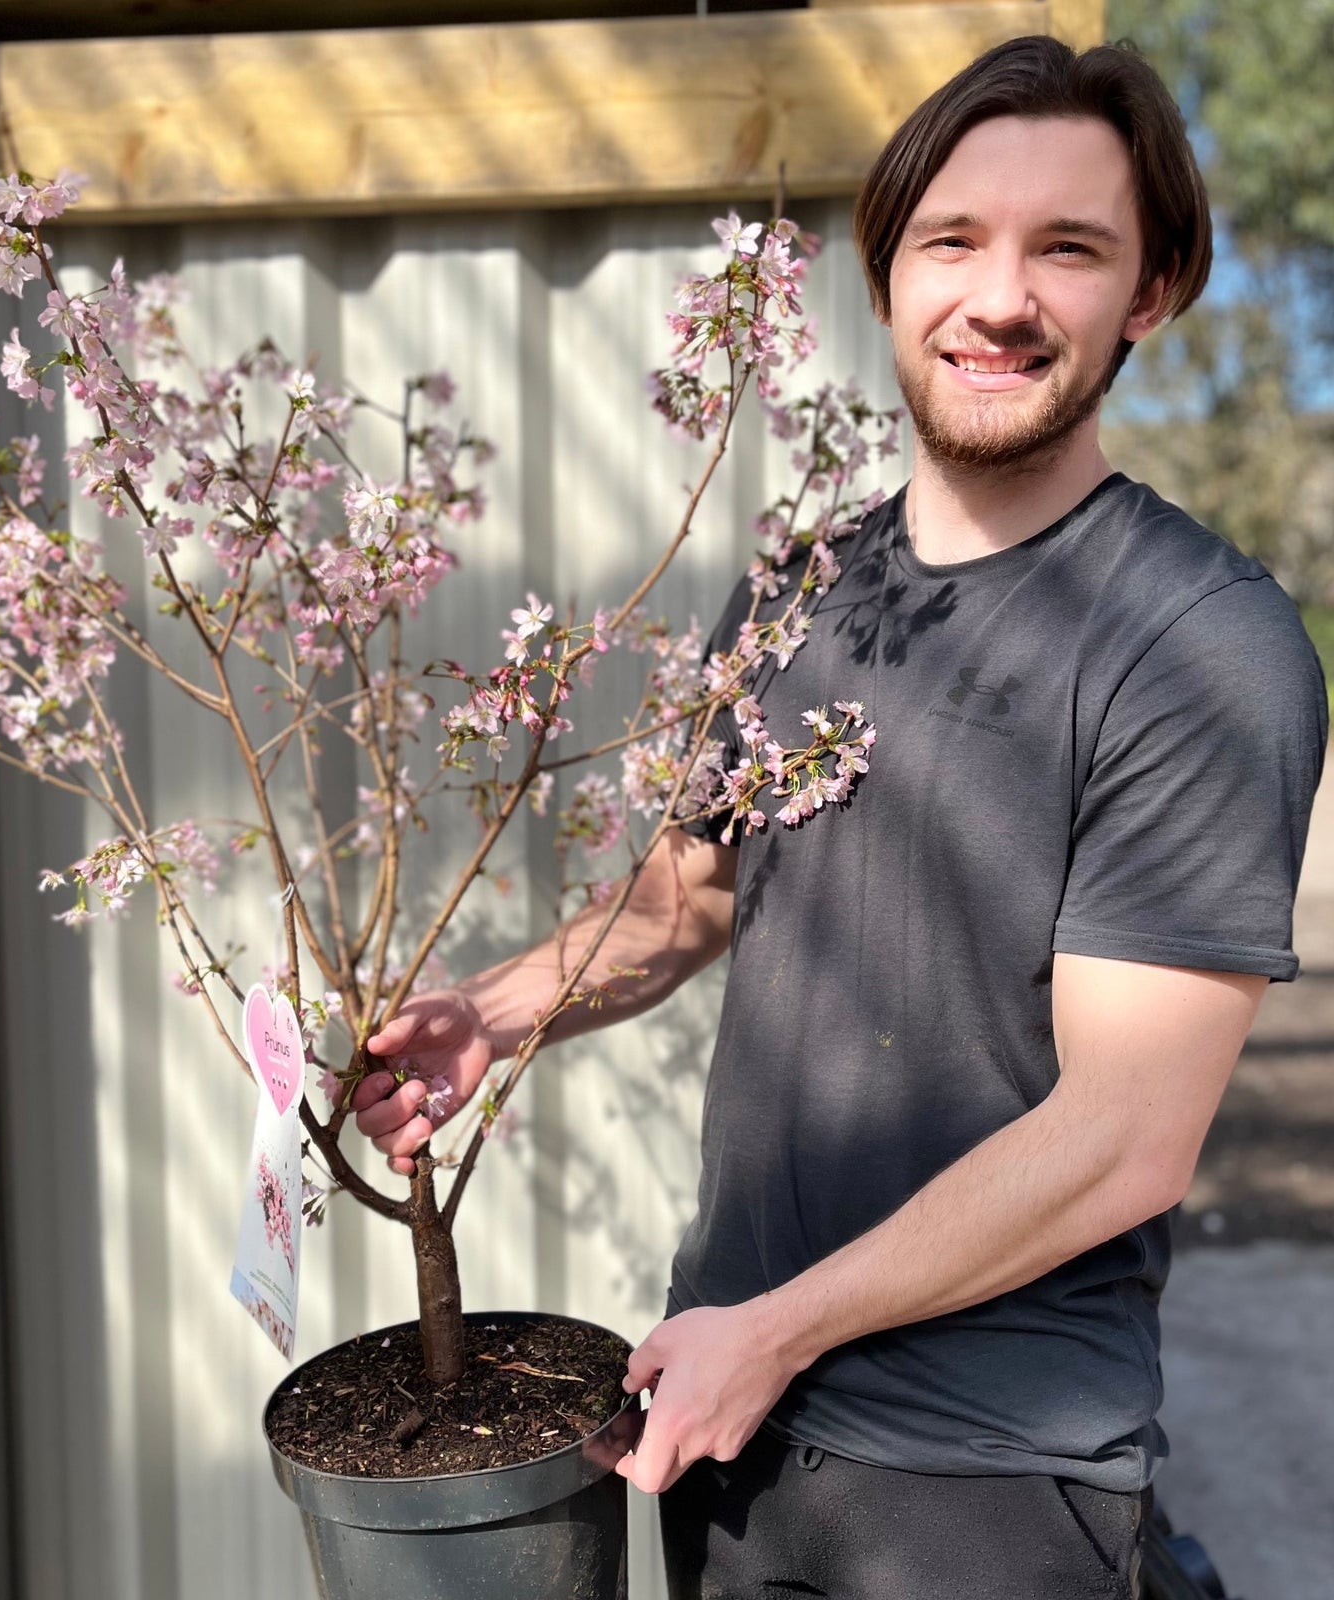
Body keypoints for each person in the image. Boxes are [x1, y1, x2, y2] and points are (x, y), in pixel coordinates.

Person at [351, 34, 1328, 1599]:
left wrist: (781, 1329)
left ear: (1148, 294)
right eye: (953, 241)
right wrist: (490, 1015)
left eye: (1067, 249)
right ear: (886, 281)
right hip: (735, 1416)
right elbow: (689, 902)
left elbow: (1125, 1139)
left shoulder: (1196, 643)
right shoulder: (804, 591)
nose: (999, 298)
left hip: (986, 1476)